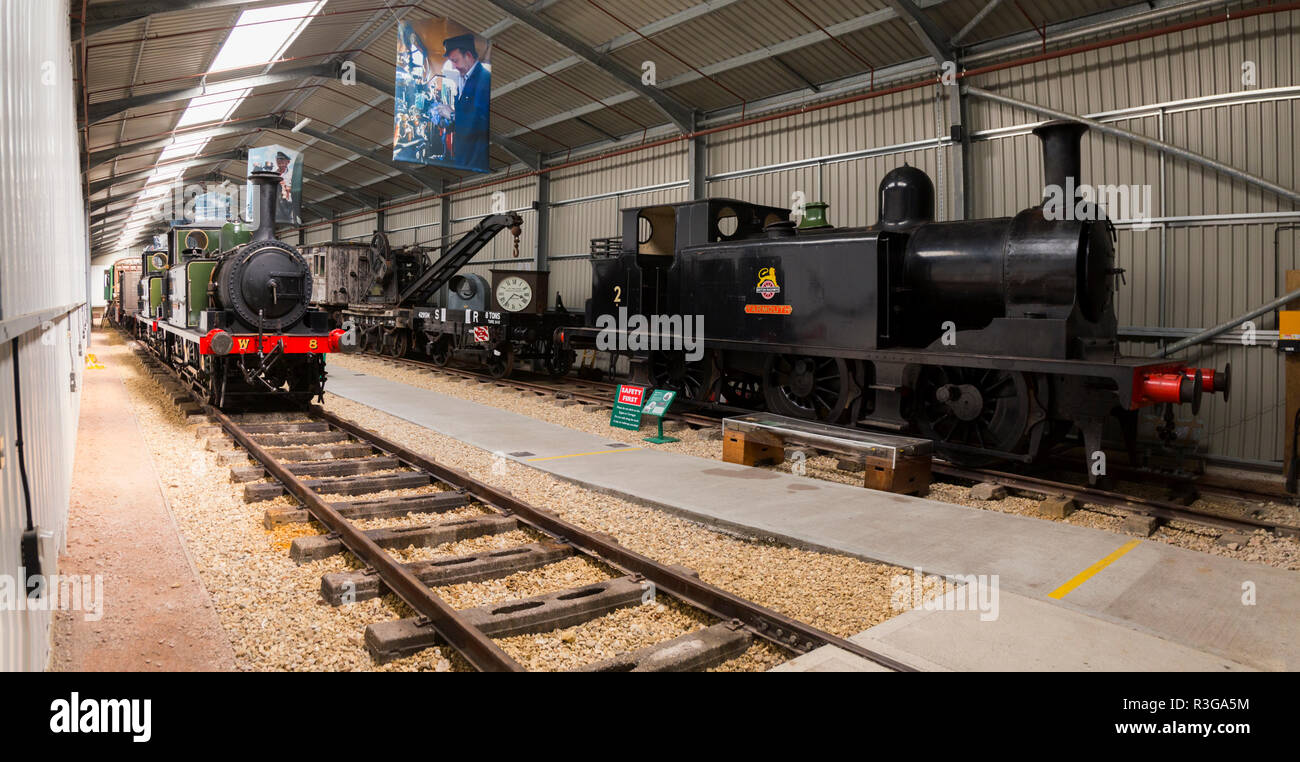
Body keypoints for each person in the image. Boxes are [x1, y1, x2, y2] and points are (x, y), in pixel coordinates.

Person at [438, 33, 489, 171]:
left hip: (474, 158)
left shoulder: (483, 80)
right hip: (464, 157)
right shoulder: (464, 79)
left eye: (455, 60)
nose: (454, 66)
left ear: (469, 55)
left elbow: (480, 120)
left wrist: (452, 116)